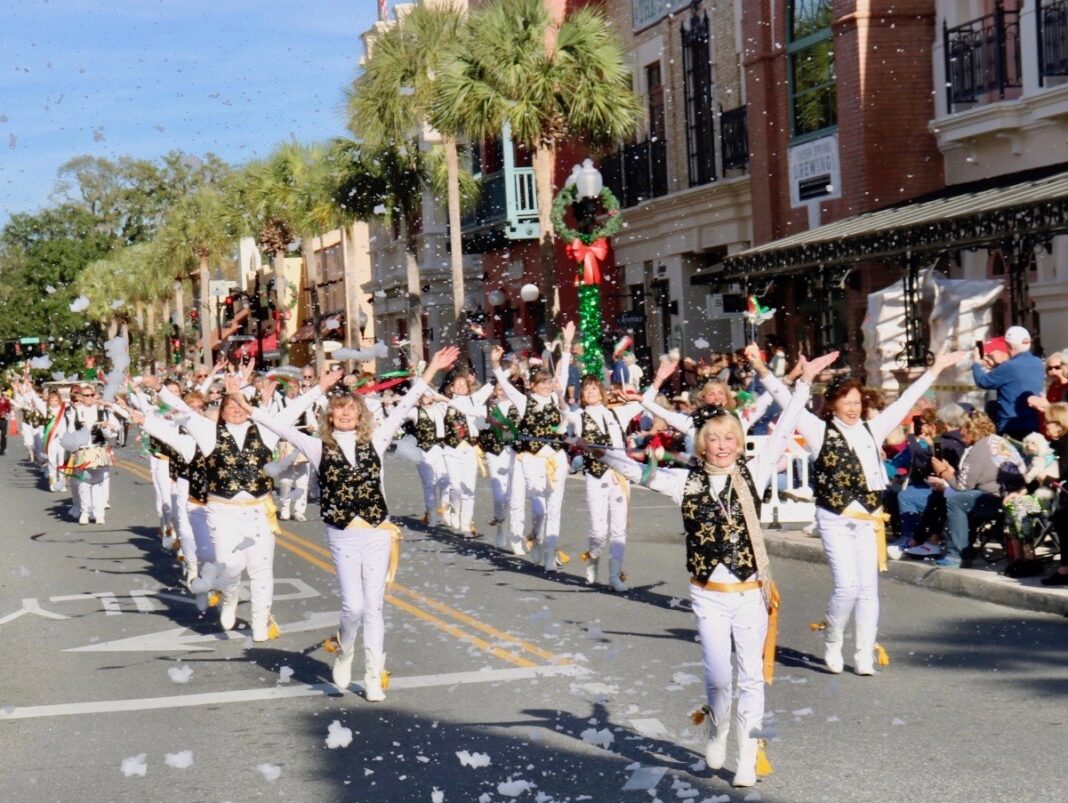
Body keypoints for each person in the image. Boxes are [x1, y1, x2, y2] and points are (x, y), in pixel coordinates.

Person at [598, 349, 836, 787]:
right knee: (718, 677)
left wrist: (804, 383)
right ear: (701, 443)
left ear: (738, 441)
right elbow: (636, 472)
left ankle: (746, 754)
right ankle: (717, 729)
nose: (722, 446)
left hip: (750, 593)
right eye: (714, 439)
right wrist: (599, 452)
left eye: (729, 439)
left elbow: (785, 429)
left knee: (750, 678)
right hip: (708, 594)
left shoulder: (755, 471)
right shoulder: (682, 481)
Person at [247, 347, 459, 700]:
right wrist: (243, 399)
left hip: (377, 530)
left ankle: (374, 674)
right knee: (353, 606)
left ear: (360, 416)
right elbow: (276, 425)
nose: (345, 416)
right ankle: (345, 650)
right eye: (339, 412)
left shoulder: (376, 440)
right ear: (331, 418)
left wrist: (432, 369)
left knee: (374, 607)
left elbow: (406, 404)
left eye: (351, 412)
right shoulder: (316, 447)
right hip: (342, 531)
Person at [759, 348, 968, 675]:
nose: (853, 408)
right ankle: (833, 637)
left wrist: (936, 368)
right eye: (846, 403)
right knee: (847, 586)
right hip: (835, 517)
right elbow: (788, 403)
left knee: (868, 588)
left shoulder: (874, 428)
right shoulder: (818, 430)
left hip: (870, 518)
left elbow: (904, 401)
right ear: (833, 405)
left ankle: (862, 652)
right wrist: (766, 369)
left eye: (857, 402)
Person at [153, 363, 323, 641]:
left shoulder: (265, 432)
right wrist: (158, 389)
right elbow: (183, 410)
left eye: (240, 405)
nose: (235, 409)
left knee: (261, 570)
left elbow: (291, 412)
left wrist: (319, 388)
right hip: (222, 511)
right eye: (228, 405)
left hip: (258, 511)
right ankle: (229, 596)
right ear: (219, 411)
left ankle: (259, 623)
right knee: (229, 564)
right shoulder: (208, 432)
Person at [491, 322, 574, 569]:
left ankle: (549, 555)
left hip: (556, 457)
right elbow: (505, 386)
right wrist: (496, 364)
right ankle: (536, 537)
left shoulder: (556, 400)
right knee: (539, 507)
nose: (549, 386)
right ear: (534, 385)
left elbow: (565, 373)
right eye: (544, 383)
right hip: (531, 458)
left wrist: (567, 346)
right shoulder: (524, 401)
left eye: (550, 382)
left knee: (554, 506)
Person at [566, 377, 642, 591]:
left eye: (594, 388)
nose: (590, 392)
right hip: (596, 476)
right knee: (598, 531)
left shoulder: (617, 413)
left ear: (602, 392)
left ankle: (615, 575)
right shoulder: (578, 416)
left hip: (619, 476)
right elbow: (564, 414)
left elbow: (646, 402)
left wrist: (642, 392)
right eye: (586, 389)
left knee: (619, 529)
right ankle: (594, 555)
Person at [926, 411, 1025, 568]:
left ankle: (956, 555)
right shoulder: (997, 441)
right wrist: (951, 473)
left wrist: (941, 471)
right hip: (1015, 494)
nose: (959, 433)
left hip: (1000, 499)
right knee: (968, 498)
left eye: (962, 429)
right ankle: (967, 547)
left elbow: (962, 486)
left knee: (956, 500)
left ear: (970, 429)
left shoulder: (978, 449)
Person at [440, 368, 495, 537]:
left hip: (470, 448)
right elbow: (426, 392)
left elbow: (488, 387)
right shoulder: (444, 403)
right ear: (451, 387)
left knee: (469, 489)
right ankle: (453, 508)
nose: (462, 386)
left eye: (465, 384)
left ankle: (466, 524)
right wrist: (418, 377)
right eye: (458, 384)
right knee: (456, 486)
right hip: (451, 449)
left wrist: (502, 371)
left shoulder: (473, 400)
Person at [972, 326, 1044, 440]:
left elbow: (983, 382)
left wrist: (976, 363)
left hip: (1011, 425)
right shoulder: (1038, 362)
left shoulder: (1009, 366)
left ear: (1008, 345)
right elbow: (1015, 379)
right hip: (1033, 422)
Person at [1036, 402, 1068, 586]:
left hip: (1061, 498)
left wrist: (1047, 480)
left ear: (1060, 423)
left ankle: (1065, 568)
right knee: (1016, 506)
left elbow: (1065, 481)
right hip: (1056, 497)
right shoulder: (1056, 444)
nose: (1045, 425)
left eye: (1049, 422)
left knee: (1063, 518)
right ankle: (1025, 558)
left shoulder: (1065, 445)